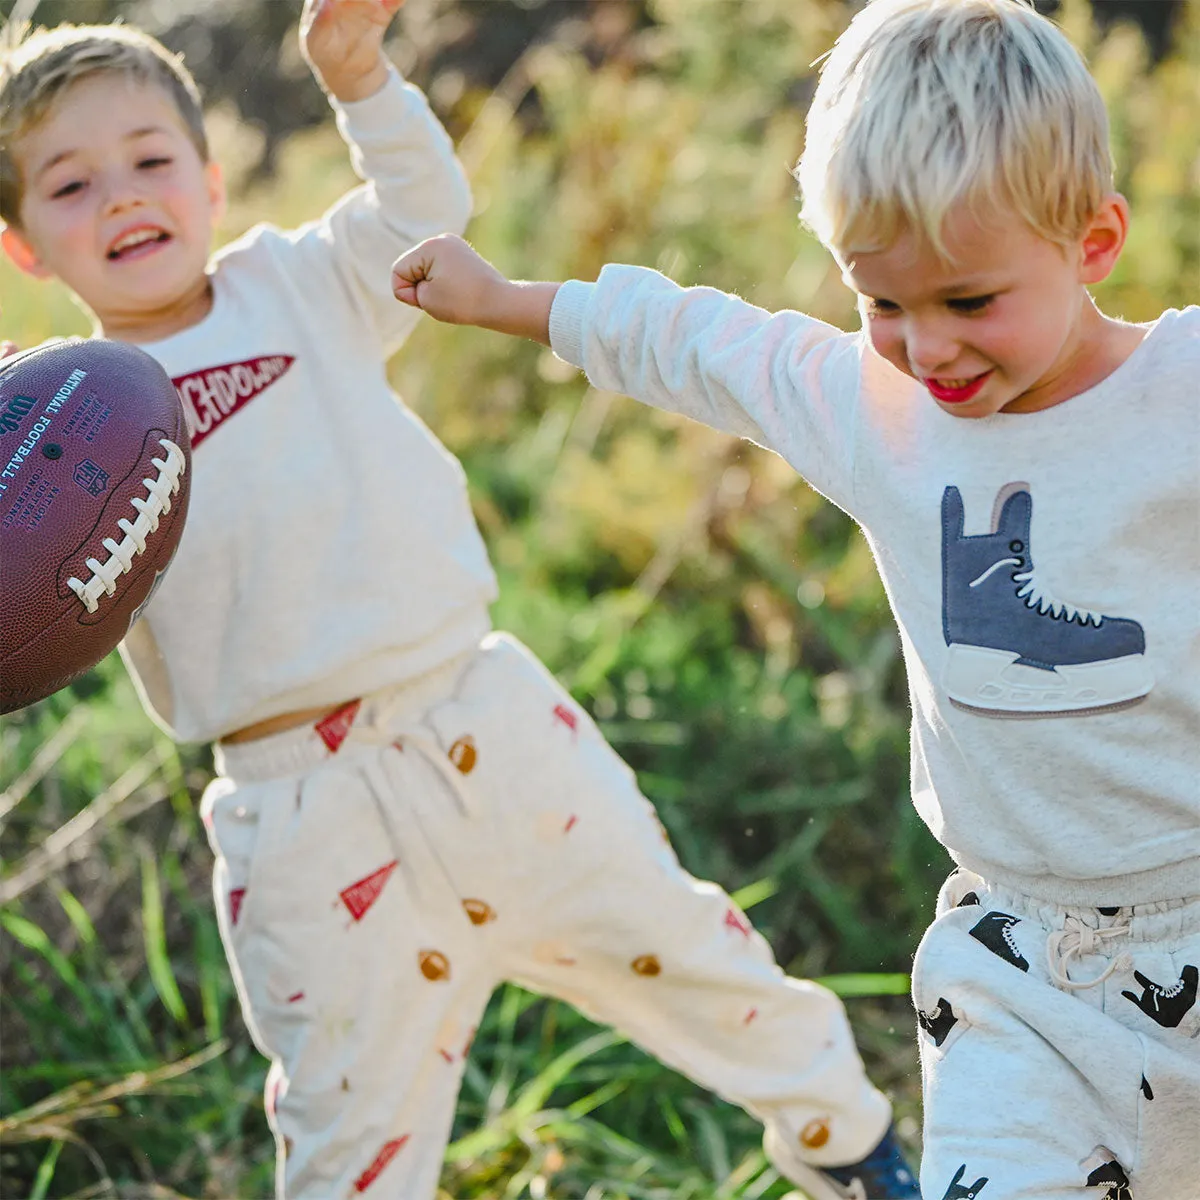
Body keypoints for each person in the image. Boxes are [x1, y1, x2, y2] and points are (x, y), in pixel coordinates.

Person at [0, 5, 918, 1198]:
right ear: (22, 247)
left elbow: (422, 217)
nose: (123, 198)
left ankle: (852, 1147)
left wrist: (360, 78)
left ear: (212, 180)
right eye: (70, 185)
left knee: (692, 956)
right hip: (296, 810)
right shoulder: (43, 439)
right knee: (346, 1125)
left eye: (151, 161)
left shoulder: (299, 281)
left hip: (480, 723)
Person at [389, 0, 1200, 1196]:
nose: (927, 350)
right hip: (1018, 969)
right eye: (883, 305)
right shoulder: (874, 417)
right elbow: (698, 341)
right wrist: (510, 298)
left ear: (1093, 241)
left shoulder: (1179, 397)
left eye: (968, 302)